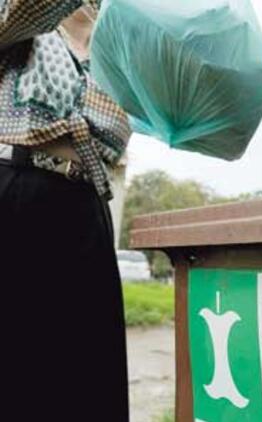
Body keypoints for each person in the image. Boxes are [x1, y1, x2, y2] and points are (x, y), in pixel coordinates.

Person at [0, 1, 130, 420]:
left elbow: (182, 96)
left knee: (85, 374)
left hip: (84, 209)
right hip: (14, 192)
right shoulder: (21, 19)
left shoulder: (121, 52)